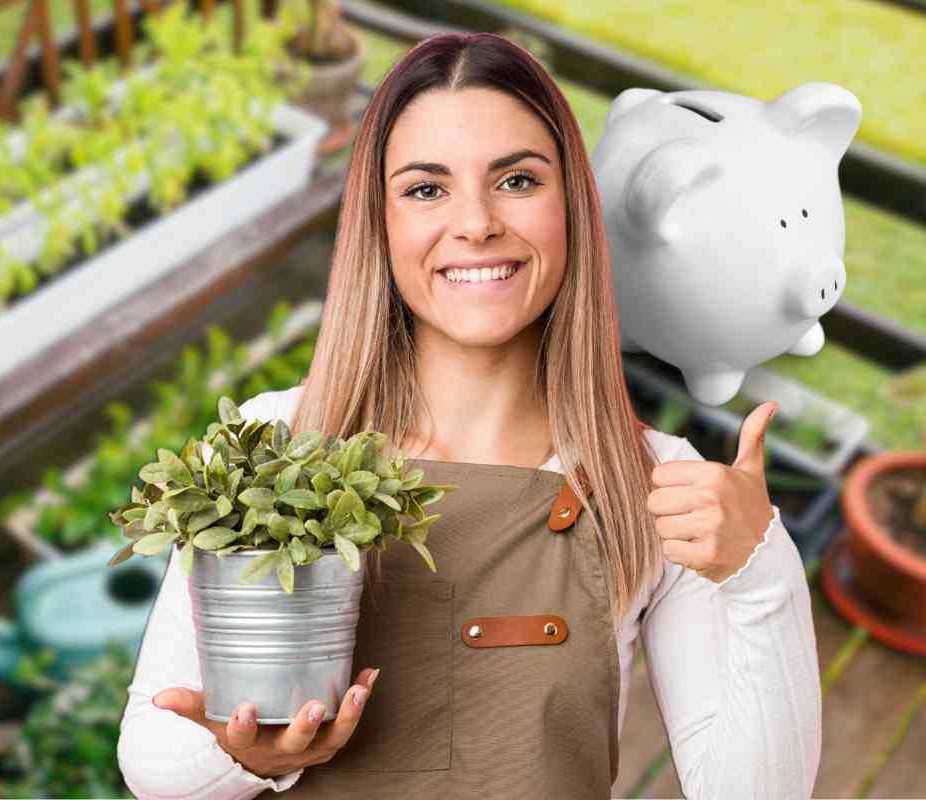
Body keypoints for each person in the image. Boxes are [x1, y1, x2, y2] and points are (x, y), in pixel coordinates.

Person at [118, 31, 821, 799]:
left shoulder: (655, 484)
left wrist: (760, 574)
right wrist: (250, 754)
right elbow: (153, 761)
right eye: (426, 189)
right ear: (379, 226)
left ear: (573, 209)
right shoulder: (275, 446)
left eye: (517, 180)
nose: (476, 222)